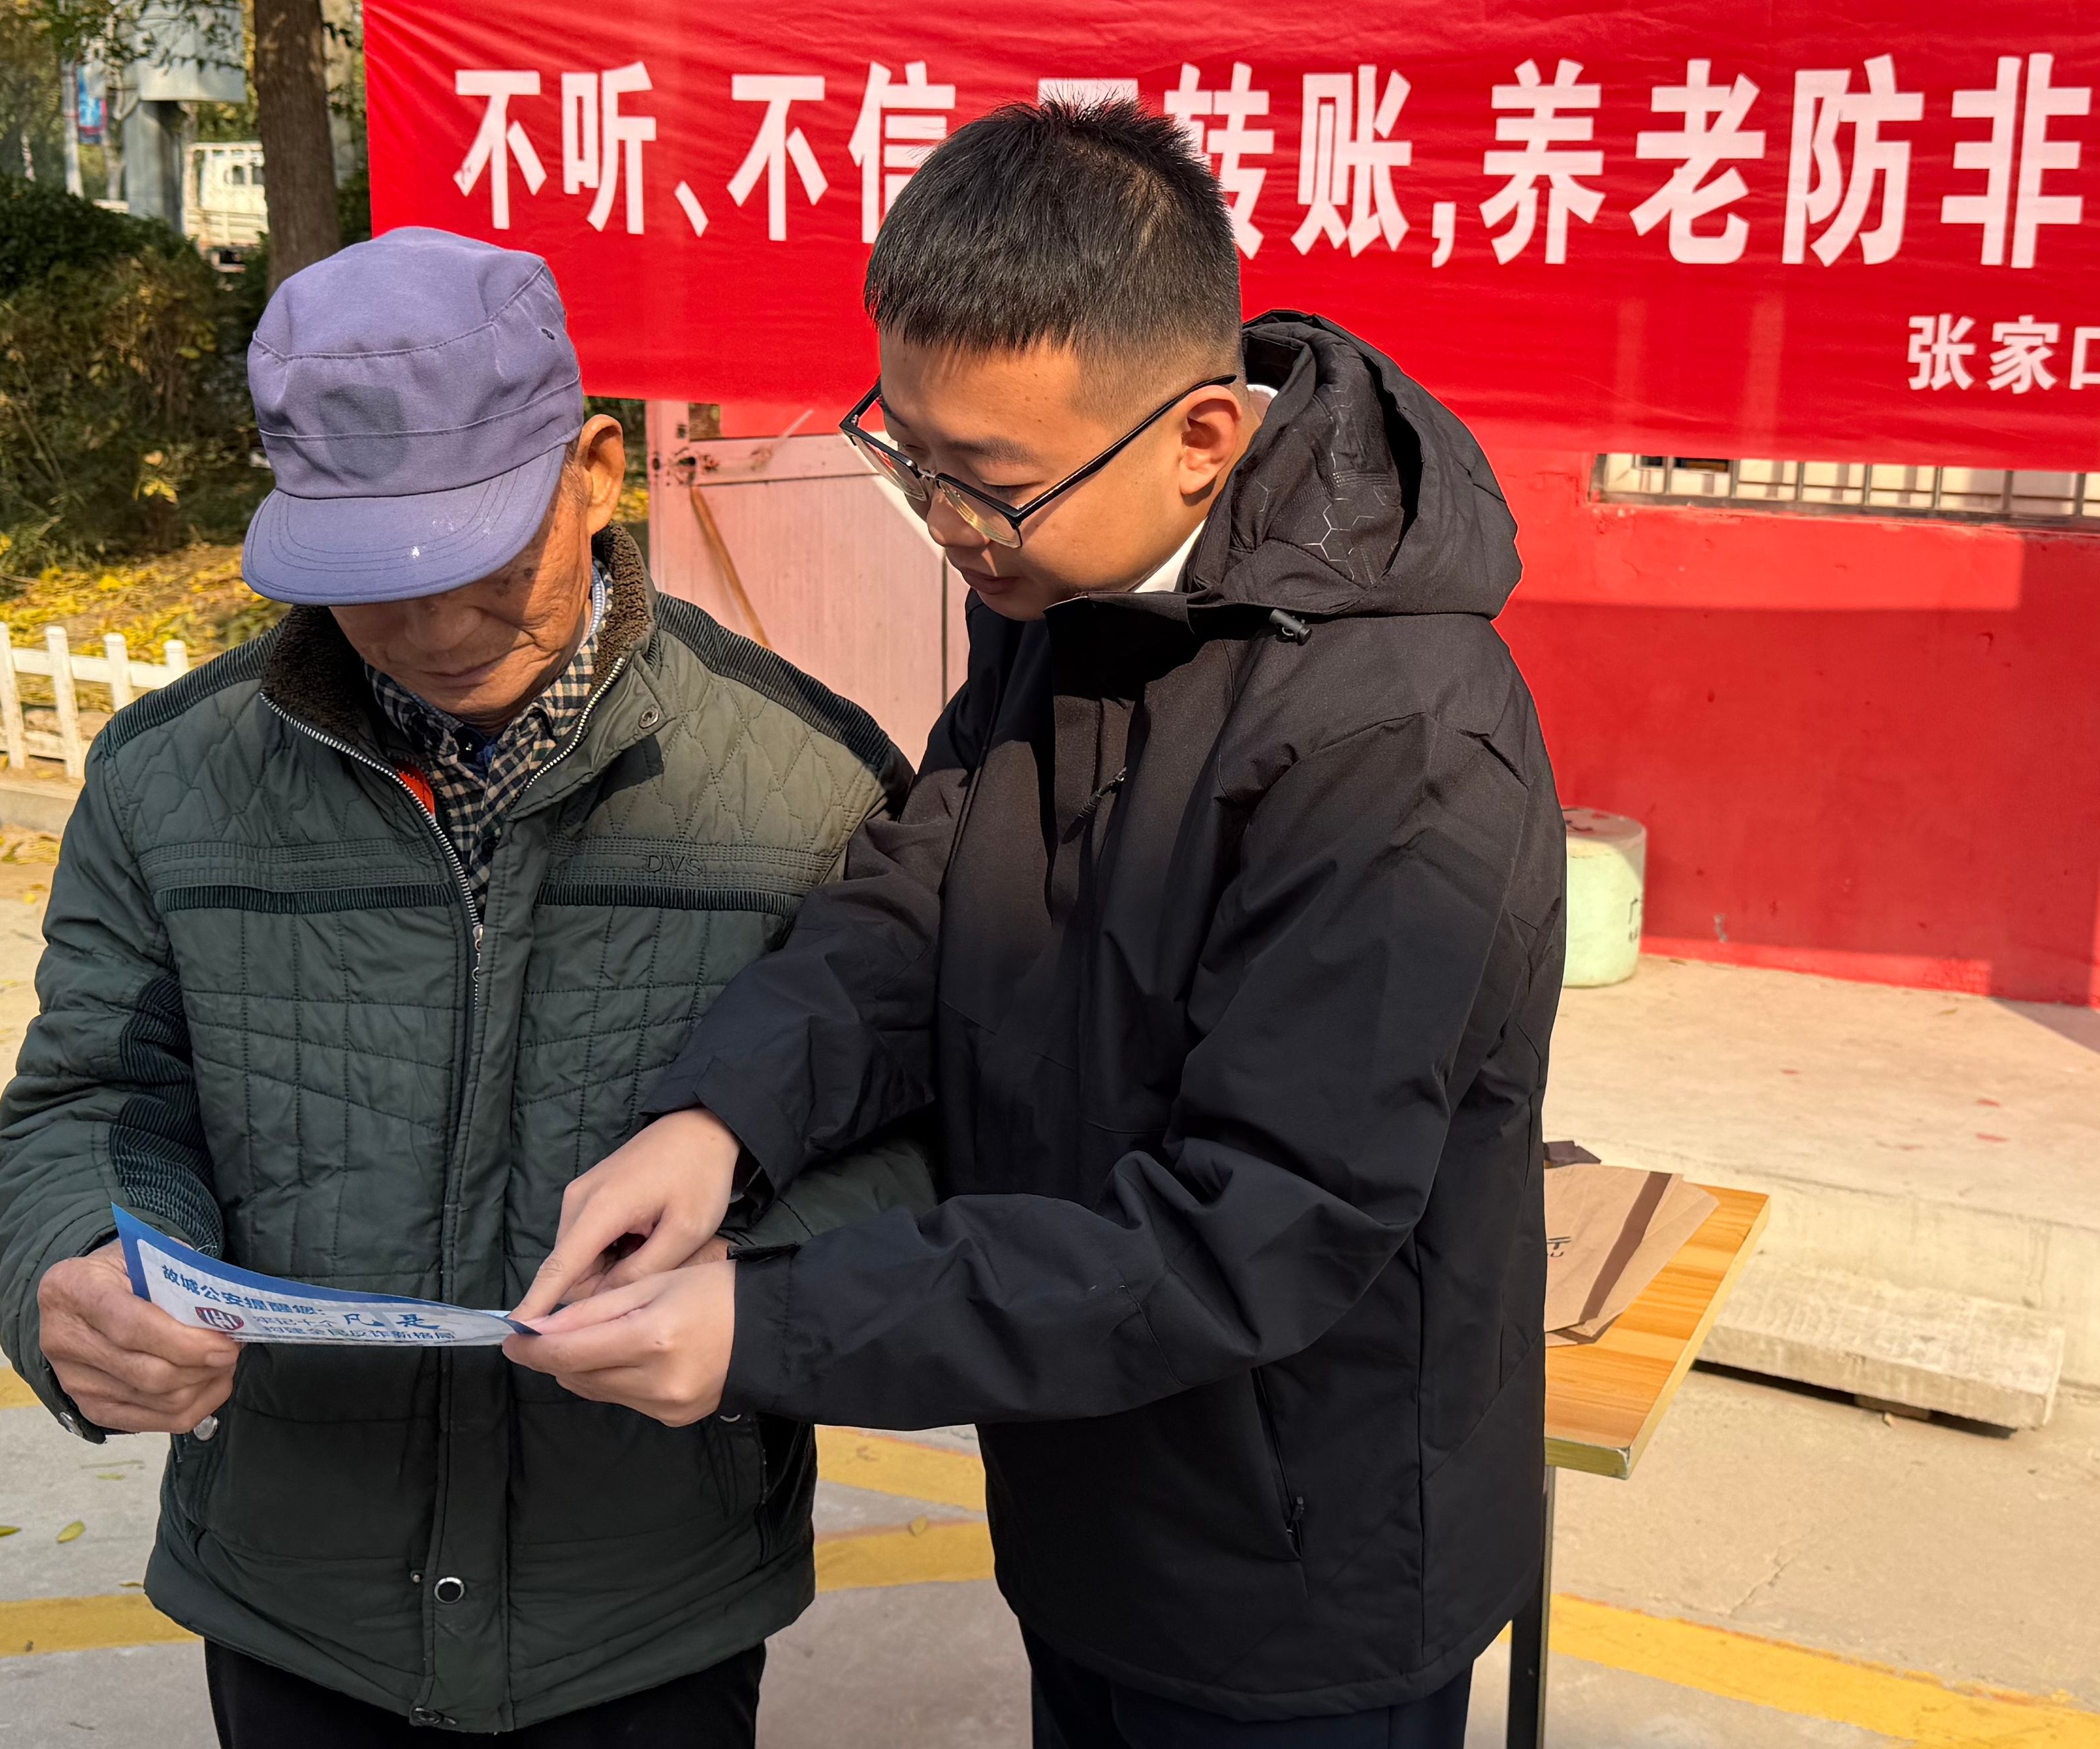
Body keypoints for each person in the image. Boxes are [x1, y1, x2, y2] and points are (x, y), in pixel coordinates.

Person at [505, 100, 1566, 1747]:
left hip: (1304, 1571)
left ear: (1200, 438)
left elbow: (1256, 1222)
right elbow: (920, 898)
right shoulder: (1063, 592)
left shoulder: (1397, 738)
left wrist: (774, 1319)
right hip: (1089, 1488)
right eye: (912, 456)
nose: (944, 521)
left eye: (990, 482)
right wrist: (722, 1119)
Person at [0, 227, 928, 1746]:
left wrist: (761, 1295)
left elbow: (914, 1134)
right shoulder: (167, 783)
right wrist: (78, 1263)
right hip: (298, 1588)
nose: (429, 627)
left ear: (595, 474)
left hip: (647, 1599)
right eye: (368, 580)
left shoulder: (807, 783)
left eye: (482, 564)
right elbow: (89, 1098)